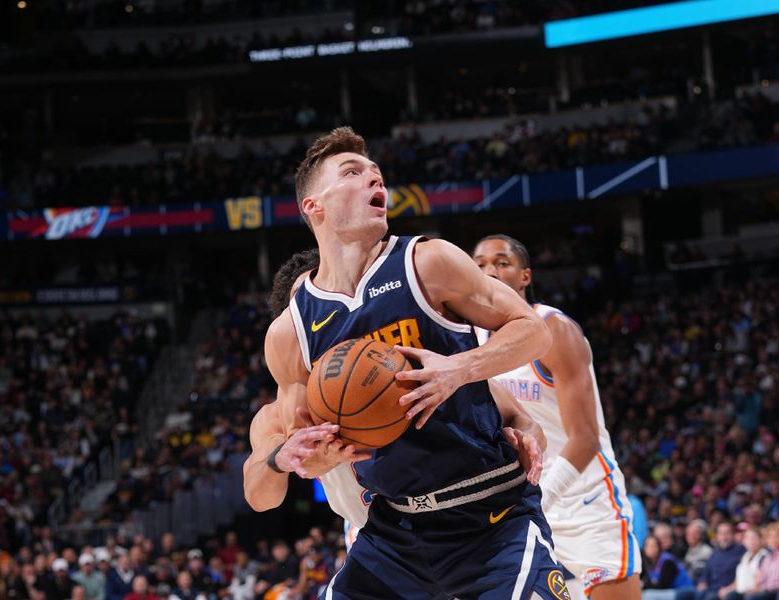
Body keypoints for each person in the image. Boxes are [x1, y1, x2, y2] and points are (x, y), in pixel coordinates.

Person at [245, 127, 560, 599]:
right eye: (353, 172)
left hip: (488, 514)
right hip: (394, 532)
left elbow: (533, 329)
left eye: (377, 174)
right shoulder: (290, 334)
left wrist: (461, 368)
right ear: (315, 206)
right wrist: (297, 459)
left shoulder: (426, 262)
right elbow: (279, 464)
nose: (376, 181)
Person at [250, 249, 545, 543]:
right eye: (308, 303)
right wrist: (280, 461)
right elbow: (259, 497)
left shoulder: (402, 378)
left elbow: (523, 420)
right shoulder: (278, 417)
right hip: (377, 539)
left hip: (462, 524)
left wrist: (525, 439)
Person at [472, 234, 642, 599]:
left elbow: (585, 438)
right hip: (516, 497)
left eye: (503, 263)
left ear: (525, 277)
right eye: (481, 264)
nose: (491, 271)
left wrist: (541, 497)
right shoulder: (468, 341)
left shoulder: (555, 330)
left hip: (582, 495)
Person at [718, 526, 770, 600]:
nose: (751, 541)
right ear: (744, 541)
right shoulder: (745, 556)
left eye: (753, 538)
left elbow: (762, 582)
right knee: (729, 594)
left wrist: (753, 590)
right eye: (747, 538)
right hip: (742, 591)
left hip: (755, 592)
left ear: (761, 540)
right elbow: (738, 581)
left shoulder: (764, 556)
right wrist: (727, 588)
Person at [641, 535, 694, 600]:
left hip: (683, 591)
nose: (651, 549)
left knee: (647, 595)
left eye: (653, 546)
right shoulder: (650, 563)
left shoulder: (667, 561)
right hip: (672, 592)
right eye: (648, 546)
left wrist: (645, 584)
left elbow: (663, 586)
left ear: (659, 547)